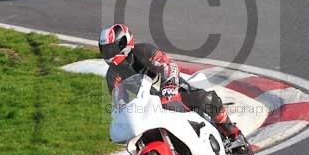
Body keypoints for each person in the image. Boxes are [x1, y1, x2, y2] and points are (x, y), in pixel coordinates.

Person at [99, 24, 241, 139]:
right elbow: (119, 101)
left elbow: (169, 65)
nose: (109, 53)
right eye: (105, 50)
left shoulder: (144, 50)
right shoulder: (112, 74)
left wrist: (171, 84)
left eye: (112, 48)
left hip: (174, 90)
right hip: (149, 106)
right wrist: (121, 120)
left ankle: (228, 127)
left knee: (205, 98)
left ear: (124, 43)